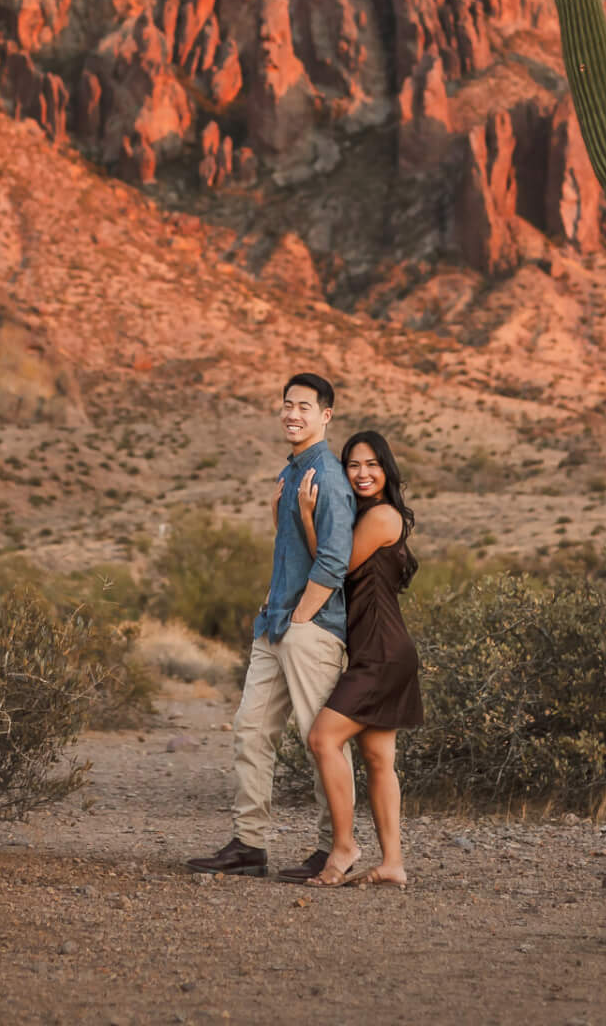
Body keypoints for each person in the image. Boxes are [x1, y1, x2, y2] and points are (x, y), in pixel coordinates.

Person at [185, 373, 354, 882]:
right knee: (251, 731)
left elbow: (333, 558)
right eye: (286, 405)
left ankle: (333, 850)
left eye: (304, 406)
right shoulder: (293, 472)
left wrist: (302, 616)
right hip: (274, 624)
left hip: (310, 628)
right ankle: (248, 846)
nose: (292, 414)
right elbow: (292, 551)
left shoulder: (326, 474)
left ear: (326, 415)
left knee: (319, 740)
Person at [296, 429, 422, 886]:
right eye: (353, 465)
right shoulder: (366, 515)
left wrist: (308, 519)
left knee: (323, 739)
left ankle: (344, 846)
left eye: (371, 464)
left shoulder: (384, 517)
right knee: (377, 757)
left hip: (383, 654)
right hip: (380, 649)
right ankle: (393, 864)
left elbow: (333, 565)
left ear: (386, 469)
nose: (362, 473)